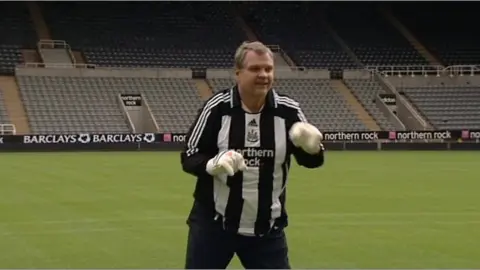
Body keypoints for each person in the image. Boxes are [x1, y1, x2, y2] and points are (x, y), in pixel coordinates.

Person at [180, 41, 325, 269]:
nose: (263, 75)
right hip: (214, 225)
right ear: (238, 73)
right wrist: (213, 164)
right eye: (255, 69)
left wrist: (313, 149)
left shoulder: (288, 111)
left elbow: (311, 161)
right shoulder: (217, 108)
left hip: (267, 229)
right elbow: (189, 155)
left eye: (268, 69)